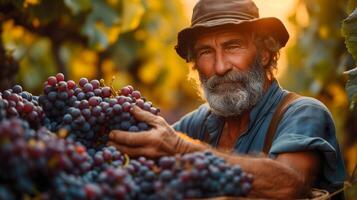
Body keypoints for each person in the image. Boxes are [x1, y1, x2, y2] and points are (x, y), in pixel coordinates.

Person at [108, 0, 346, 199]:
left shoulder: (304, 113)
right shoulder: (199, 124)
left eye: (232, 46)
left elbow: (290, 184)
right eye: (206, 52)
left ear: (264, 53)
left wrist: (180, 148)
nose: (220, 67)